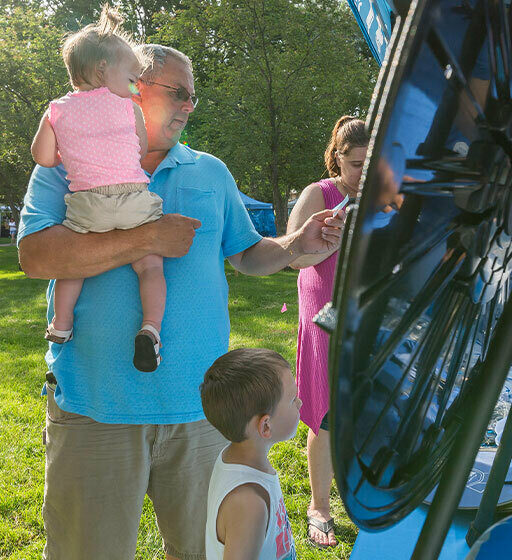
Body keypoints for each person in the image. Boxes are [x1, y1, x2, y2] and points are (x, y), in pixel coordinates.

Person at [17, 43, 344, 560]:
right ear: (129, 87)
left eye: (193, 96)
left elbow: (247, 254)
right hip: (94, 409)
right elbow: (35, 256)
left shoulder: (209, 171)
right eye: (179, 93)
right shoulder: (65, 160)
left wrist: (295, 246)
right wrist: (147, 240)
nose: (190, 105)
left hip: (204, 416)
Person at [30, 5, 165, 372]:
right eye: (132, 77)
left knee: (73, 266)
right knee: (150, 263)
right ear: (104, 70)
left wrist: (57, 131)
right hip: (133, 199)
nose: (136, 84)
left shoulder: (57, 109)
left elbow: (44, 158)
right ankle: (151, 329)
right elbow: (139, 150)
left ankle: (61, 324)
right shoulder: (127, 106)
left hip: (87, 204)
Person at [286, 116, 368, 548]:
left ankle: (370, 495)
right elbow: (292, 258)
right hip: (327, 315)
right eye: (356, 164)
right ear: (337, 158)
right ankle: (319, 505)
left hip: (372, 316)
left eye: (372, 164)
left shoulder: (386, 196)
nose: (363, 174)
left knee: (372, 406)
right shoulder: (320, 194)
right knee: (328, 411)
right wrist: (328, 242)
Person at [200, 348, 300, 560]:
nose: (299, 403)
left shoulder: (233, 457)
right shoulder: (249, 504)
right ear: (266, 426)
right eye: (293, 399)